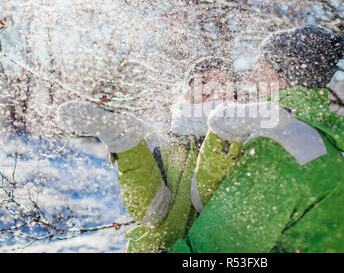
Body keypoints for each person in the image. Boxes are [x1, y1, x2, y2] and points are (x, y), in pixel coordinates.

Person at [171, 25, 344, 253]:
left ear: (285, 74)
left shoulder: (277, 143)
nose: (251, 77)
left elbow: (220, 247)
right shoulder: (314, 133)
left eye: (261, 66)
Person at [57, 57, 240, 252]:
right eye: (202, 82)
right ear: (187, 92)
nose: (210, 89)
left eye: (221, 83)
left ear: (235, 94)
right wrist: (129, 148)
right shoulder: (159, 142)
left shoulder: (247, 140)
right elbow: (149, 212)